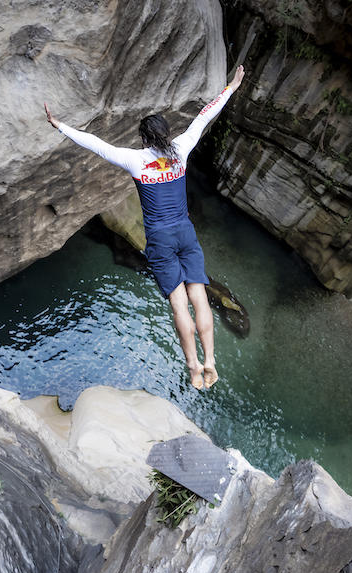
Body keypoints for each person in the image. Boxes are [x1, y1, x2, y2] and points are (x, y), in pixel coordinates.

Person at [45, 65, 246, 390]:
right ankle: (210, 358)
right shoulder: (181, 148)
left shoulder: (135, 160)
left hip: (161, 240)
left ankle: (194, 366)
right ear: (166, 133)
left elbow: (95, 144)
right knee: (198, 296)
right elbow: (205, 115)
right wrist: (231, 87)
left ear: (144, 138)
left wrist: (60, 126)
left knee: (179, 304)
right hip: (185, 233)